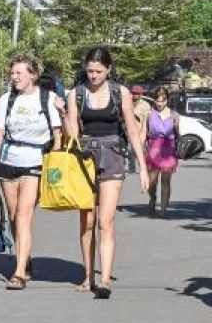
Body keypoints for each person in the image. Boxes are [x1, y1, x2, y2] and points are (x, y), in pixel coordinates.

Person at [65, 46, 149, 299]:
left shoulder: (119, 92)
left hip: (112, 155)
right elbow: (72, 132)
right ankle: (88, 276)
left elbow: (132, 131)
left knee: (106, 221)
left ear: (108, 70)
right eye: (89, 70)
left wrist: (143, 166)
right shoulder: (76, 94)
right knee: (87, 221)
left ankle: (104, 280)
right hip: (84, 157)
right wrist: (65, 115)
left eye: (98, 71)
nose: (93, 76)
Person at [0, 54, 62, 290]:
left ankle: (18, 273)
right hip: (9, 161)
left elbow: (58, 135)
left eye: (19, 73)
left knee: (25, 214)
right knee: (15, 215)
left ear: (33, 75)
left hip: (35, 161)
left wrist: (54, 165)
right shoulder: (6, 100)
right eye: (13, 73)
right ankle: (24, 258)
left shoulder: (48, 99)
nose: (14, 77)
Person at [143, 87, 180, 217]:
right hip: (153, 149)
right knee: (152, 182)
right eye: (157, 100)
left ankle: (163, 209)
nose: (160, 104)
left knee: (166, 181)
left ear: (167, 100)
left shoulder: (174, 115)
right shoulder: (149, 114)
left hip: (169, 150)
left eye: (163, 100)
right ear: (154, 100)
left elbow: (178, 134)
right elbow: (144, 133)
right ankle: (152, 197)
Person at [127, 85, 151, 175]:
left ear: (140, 94)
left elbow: (147, 120)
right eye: (133, 93)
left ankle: (142, 168)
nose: (135, 95)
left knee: (140, 151)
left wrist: (146, 133)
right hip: (128, 132)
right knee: (130, 151)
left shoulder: (145, 105)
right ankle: (131, 169)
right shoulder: (127, 102)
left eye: (137, 93)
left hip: (140, 132)